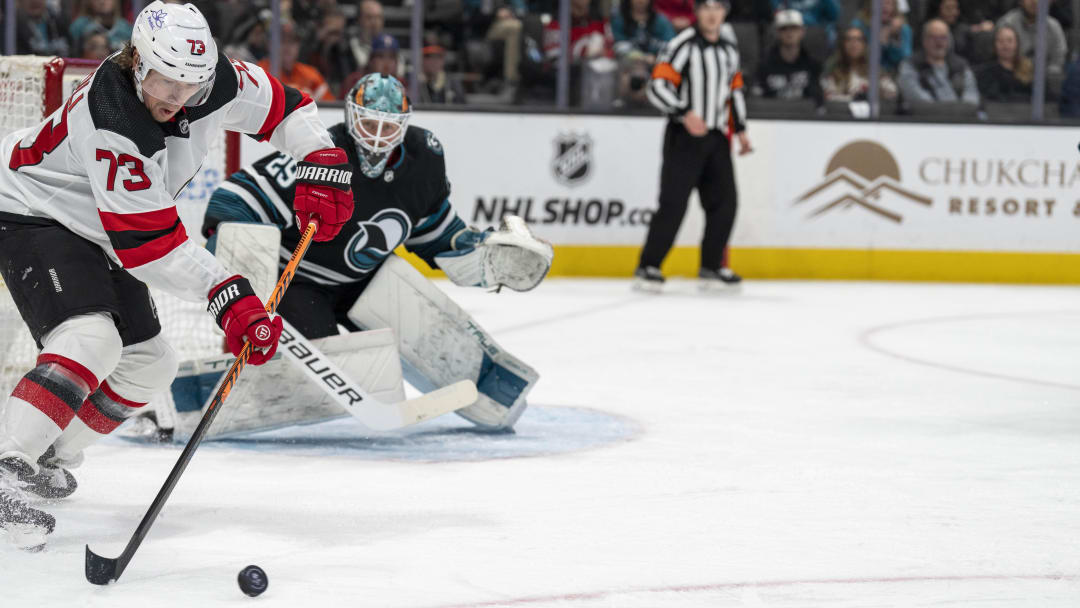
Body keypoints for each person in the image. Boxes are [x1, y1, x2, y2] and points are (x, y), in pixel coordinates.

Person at [0, 1, 354, 547]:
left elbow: (288, 109)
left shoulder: (216, 82)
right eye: (166, 83)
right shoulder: (113, 117)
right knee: (89, 338)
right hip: (34, 208)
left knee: (151, 363)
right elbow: (151, 245)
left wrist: (321, 159)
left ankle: (49, 453)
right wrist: (227, 295)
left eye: (191, 85)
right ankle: (6, 467)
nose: (179, 99)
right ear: (137, 61)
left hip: (102, 226)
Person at [201, 73, 551, 434]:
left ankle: (492, 394)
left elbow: (436, 233)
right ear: (352, 117)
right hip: (301, 284)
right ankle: (233, 377)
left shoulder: (423, 161)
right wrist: (232, 251)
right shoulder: (324, 152)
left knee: (434, 343)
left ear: (405, 124)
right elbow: (233, 200)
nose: (377, 137)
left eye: (388, 128)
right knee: (325, 380)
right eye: (369, 124)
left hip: (368, 282)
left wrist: (480, 256)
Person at [638, 0, 751, 292]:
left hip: (716, 136)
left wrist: (740, 129)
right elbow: (658, 85)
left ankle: (711, 265)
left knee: (725, 203)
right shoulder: (683, 44)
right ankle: (649, 265)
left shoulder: (728, 48)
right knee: (673, 203)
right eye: (706, 7)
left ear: (725, 12)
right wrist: (683, 112)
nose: (712, 14)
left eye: (718, 7)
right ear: (697, 12)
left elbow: (734, 89)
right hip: (684, 135)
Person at [897, 18, 979, 107]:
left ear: (949, 41)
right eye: (934, 37)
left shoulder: (961, 66)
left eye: (943, 38)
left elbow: (972, 99)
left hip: (959, 119)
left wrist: (960, 113)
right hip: (925, 119)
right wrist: (944, 113)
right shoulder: (910, 65)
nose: (939, 43)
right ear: (924, 40)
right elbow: (917, 99)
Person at [752, 9, 824, 107]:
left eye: (794, 28)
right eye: (784, 28)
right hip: (772, 117)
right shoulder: (764, 67)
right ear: (777, 33)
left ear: (802, 31)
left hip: (806, 117)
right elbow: (758, 99)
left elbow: (820, 100)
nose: (789, 32)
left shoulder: (814, 66)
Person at [611, 0, 676, 107]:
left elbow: (671, 48)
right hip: (627, 69)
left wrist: (656, 59)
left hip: (655, 71)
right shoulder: (619, 19)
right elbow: (618, 46)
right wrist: (642, 58)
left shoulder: (661, 21)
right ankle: (621, 103)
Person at [258, 22, 335, 102]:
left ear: (298, 46)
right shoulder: (260, 72)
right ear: (270, 45)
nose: (287, 47)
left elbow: (330, 107)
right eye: (282, 41)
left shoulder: (311, 74)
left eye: (292, 42)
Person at [821, 25, 898, 101]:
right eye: (849, 39)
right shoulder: (832, 72)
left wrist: (879, 93)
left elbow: (893, 93)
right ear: (843, 45)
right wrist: (853, 98)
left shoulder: (876, 72)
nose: (853, 43)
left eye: (858, 39)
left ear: (864, 45)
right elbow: (828, 97)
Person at [996, 0, 1067, 80]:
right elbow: (1001, 60)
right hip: (1011, 79)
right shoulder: (1007, 23)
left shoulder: (1054, 27)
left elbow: (1057, 60)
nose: (1034, 1)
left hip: (1045, 82)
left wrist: (1045, 77)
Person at [974, 24, 1034, 102]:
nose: (1005, 45)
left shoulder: (1030, 70)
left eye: (1009, 41)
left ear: (1017, 44)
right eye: (1000, 41)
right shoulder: (985, 73)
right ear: (994, 45)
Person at [852, 0, 911, 73]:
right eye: (880, 2)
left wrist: (894, 37)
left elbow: (905, 59)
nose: (884, 6)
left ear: (894, 7)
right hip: (864, 71)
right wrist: (880, 42)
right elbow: (857, 54)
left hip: (893, 74)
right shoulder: (859, 25)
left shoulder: (903, 28)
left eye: (888, 3)